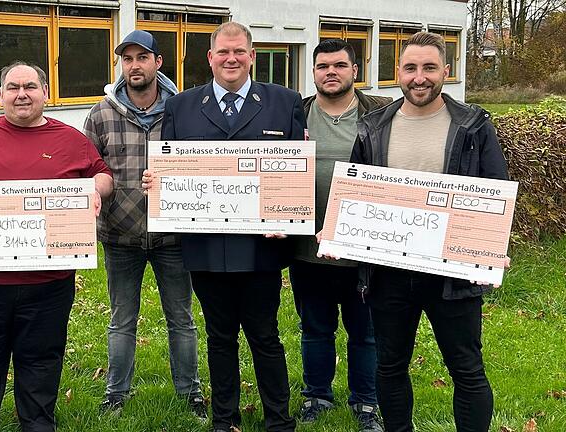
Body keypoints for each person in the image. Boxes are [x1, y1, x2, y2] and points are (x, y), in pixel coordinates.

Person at [0, 62, 113, 432]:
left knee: (42, 358)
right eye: (12, 87)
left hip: (48, 282)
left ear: (44, 92)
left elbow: (103, 174)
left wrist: (96, 189)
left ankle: (37, 421)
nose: (21, 94)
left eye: (30, 86)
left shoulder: (70, 139)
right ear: (0, 96)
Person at [144, 22, 305, 432]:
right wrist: (157, 182)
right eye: (222, 52)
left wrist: (288, 213)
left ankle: (279, 421)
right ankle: (224, 419)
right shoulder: (180, 106)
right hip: (207, 246)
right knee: (219, 338)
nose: (231, 59)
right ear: (210, 57)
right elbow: (170, 168)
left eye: (239, 52)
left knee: (265, 336)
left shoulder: (284, 103)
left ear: (252, 55)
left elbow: (294, 173)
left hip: (262, 247)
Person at [349, 32, 507, 432]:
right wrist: (341, 234)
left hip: (452, 273)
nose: (420, 77)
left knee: (467, 369)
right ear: (397, 72)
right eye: (411, 68)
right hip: (389, 272)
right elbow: (354, 192)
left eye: (429, 68)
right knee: (390, 365)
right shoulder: (373, 127)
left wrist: (492, 247)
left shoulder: (473, 125)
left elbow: (496, 191)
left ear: (446, 72)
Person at [82, 30, 204, 416]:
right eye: (127, 58)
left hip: (173, 237)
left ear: (158, 63)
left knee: (181, 320)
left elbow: (206, 163)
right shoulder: (101, 113)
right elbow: (88, 168)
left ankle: (190, 393)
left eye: (142, 57)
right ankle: (115, 393)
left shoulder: (184, 109)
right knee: (121, 321)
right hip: (121, 236)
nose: (134, 65)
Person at [289, 39, 390, 432]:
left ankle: (366, 403)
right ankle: (317, 396)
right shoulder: (295, 114)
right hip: (306, 248)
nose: (331, 72)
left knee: (365, 331)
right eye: (322, 66)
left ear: (354, 71)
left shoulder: (380, 114)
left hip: (363, 249)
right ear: (313, 72)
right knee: (315, 327)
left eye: (339, 65)